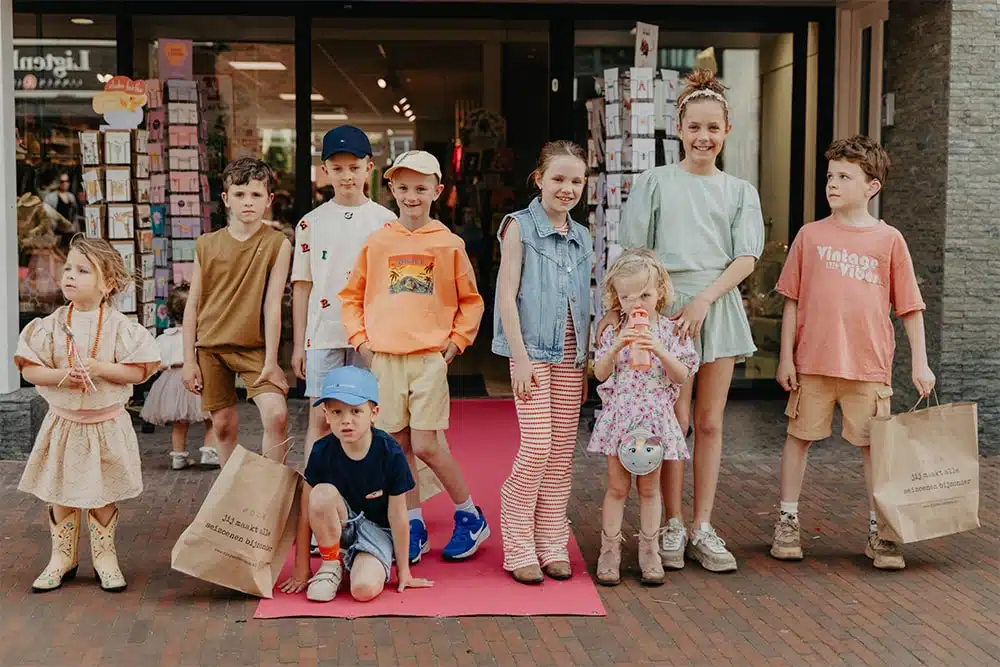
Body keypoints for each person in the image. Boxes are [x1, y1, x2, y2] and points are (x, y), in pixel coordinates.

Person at [603, 68, 765, 573]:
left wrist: (705, 300)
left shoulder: (740, 191)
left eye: (713, 128)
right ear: (679, 128)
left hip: (716, 308)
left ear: (727, 131)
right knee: (672, 418)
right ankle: (670, 521)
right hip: (663, 309)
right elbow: (635, 252)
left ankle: (703, 525)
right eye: (694, 127)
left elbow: (746, 257)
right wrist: (649, 308)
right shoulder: (655, 182)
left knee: (712, 422)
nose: (704, 137)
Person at [770, 136, 934, 570]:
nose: (833, 184)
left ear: (872, 186)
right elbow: (792, 301)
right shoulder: (810, 235)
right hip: (813, 363)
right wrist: (786, 357)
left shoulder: (890, 240)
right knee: (798, 439)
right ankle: (787, 522)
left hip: (868, 366)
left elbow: (910, 307)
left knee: (874, 449)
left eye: (845, 176)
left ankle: (880, 532)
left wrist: (921, 361)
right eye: (830, 176)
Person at [340, 150, 489, 565]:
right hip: (384, 358)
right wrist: (362, 342)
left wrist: (456, 343)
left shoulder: (448, 243)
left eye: (421, 189)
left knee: (426, 444)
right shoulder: (378, 241)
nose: (411, 196)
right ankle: (415, 522)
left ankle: (468, 514)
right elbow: (352, 295)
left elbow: (471, 301)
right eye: (403, 188)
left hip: (428, 359)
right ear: (390, 189)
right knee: (397, 445)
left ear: (437, 191)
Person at [15, 235, 159, 593]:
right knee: (60, 491)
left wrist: (101, 368)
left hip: (105, 423)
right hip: (64, 423)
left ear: (107, 283)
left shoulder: (119, 327)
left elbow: (139, 371)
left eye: (83, 271)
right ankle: (62, 557)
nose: (70, 276)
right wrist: (63, 376)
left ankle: (104, 556)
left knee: (102, 491)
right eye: (68, 268)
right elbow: (29, 370)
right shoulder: (48, 325)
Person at [491, 141, 593, 584]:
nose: (567, 188)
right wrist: (519, 358)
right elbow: (507, 296)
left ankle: (552, 541)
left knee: (560, 456)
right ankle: (517, 541)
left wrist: (588, 361)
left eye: (576, 181)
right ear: (539, 179)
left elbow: (584, 300)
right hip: (532, 351)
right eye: (558, 179)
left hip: (573, 356)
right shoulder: (519, 227)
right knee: (536, 446)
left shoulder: (583, 235)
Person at [588, 249, 699, 586]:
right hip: (621, 417)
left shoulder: (670, 331)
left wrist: (659, 349)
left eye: (646, 295)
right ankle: (610, 549)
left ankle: (649, 549)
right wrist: (616, 347)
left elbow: (681, 375)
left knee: (650, 489)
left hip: (654, 418)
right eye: (627, 296)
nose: (637, 303)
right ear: (616, 298)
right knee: (618, 487)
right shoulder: (612, 331)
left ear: (661, 292)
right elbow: (601, 374)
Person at [278, 366, 434, 602]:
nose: (346, 421)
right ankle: (331, 564)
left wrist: (404, 572)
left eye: (356, 411)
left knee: (363, 590)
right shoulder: (322, 451)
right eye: (338, 412)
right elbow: (305, 513)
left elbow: (399, 516)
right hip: (339, 525)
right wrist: (301, 567)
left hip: (377, 533)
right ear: (326, 415)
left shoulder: (389, 452)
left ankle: (357, 565)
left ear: (373, 413)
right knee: (320, 494)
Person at [291, 126, 395, 462]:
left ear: (369, 166)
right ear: (324, 171)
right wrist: (298, 344)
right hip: (323, 334)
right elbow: (302, 285)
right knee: (321, 420)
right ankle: (314, 498)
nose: (346, 176)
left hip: (372, 334)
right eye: (337, 168)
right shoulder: (310, 223)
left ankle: (365, 499)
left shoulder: (387, 221)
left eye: (354, 167)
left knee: (369, 420)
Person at [182, 158, 292, 467]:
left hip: (254, 347)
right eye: (240, 194)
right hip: (211, 346)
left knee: (276, 414)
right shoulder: (206, 244)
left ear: (269, 200)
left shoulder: (277, 243)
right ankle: (231, 493)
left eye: (256, 195)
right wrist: (189, 359)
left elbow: (273, 305)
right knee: (223, 425)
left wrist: (272, 361)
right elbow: (193, 303)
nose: (248, 202)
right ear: (226, 198)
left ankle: (271, 490)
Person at [140, 283, 219, 470]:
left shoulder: (164, 338)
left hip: (171, 385)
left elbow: (155, 364)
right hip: (197, 381)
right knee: (212, 419)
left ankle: (178, 458)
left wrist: (170, 365)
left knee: (179, 424)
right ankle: (210, 452)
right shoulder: (200, 337)